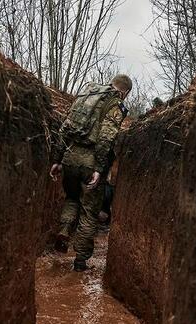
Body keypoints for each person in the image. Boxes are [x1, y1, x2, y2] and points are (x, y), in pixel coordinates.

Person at [49, 74, 132, 271]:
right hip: (90, 162)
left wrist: (57, 159)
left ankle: (64, 230)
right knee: (89, 211)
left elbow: (64, 128)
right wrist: (99, 168)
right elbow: (105, 138)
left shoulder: (88, 94)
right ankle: (80, 261)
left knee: (71, 198)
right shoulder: (115, 104)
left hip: (69, 158)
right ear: (125, 92)